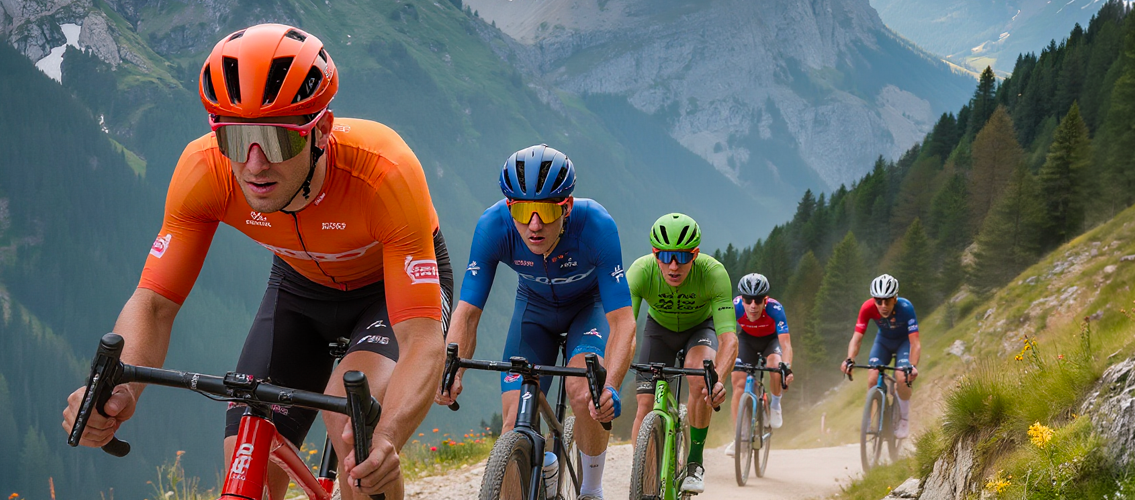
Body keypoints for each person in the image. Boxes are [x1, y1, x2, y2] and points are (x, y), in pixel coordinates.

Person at [60, 24, 453, 500]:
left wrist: (387, 438)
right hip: (299, 285)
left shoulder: (384, 171)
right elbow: (154, 304)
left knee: (354, 429)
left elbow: (422, 341)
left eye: (277, 140)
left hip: (388, 292)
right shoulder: (204, 171)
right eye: (234, 138)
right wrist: (118, 389)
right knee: (246, 456)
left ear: (321, 130)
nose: (254, 164)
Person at [434, 144, 635, 500]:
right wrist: (451, 369)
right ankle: (538, 466)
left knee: (583, 392)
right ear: (509, 206)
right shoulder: (493, 226)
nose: (535, 224)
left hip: (588, 309)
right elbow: (467, 312)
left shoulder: (596, 225)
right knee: (513, 422)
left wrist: (612, 387)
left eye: (547, 210)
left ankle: (591, 489)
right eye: (523, 211)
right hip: (533, 313)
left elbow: (623, 323)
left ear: (567, 206)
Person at [626, 213, 736, 494]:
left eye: (683, 257)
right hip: (658, 331)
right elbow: (623, 329)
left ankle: (695, 462)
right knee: (645, 403)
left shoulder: (713, 273)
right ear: (655, 254)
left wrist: (718, 380)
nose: (673, 266)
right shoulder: (640, 271)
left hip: (700, 329)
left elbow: (729, 339)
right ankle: (643, 476)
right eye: (665, 256)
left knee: (700, 379)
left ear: (695, 254)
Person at [840, 274, 920, 439]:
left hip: (904, 343)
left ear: (895, 299)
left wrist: (912, 366)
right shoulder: (867, 307)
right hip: (883, 342)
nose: (883, 306)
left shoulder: (906, 308)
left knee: (901, 377)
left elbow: (915, 343)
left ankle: (904, 419)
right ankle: (870, 419)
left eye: (887, 301)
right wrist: (849, 359)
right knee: (872, 377)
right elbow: (857, 338)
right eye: (878, 301)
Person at [727, 273, 794, 457]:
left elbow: (786, 344)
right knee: (738, 382)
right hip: (747, 341)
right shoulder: (735, 307)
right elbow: (726, 337)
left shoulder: (775, 308)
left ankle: (775, 405)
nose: (753, 305)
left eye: (758, 300)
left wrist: (786, 367)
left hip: (771, 342)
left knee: (775, 365)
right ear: (742, 299)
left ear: (765, 300)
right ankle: (739, 437)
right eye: (748, 300)